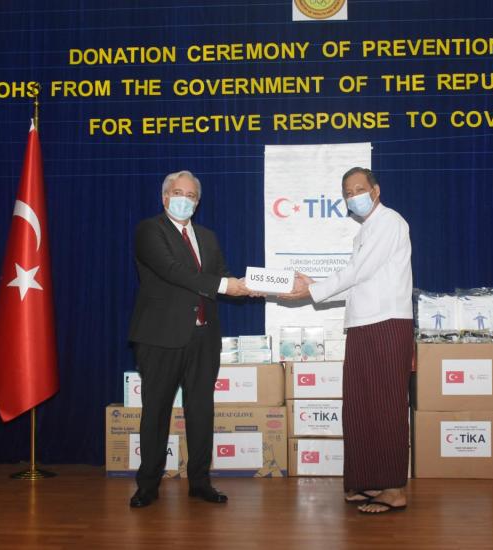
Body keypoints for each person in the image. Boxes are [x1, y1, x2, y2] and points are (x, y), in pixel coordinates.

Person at [280, 167, 413, 514]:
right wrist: (313, 286)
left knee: (386, 406)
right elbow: (357, 284)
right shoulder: (365, 232)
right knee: (360, 406)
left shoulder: (389, 222)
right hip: (363, 325)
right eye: (348, 193)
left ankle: (394, 488)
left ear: (376, 191)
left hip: (387, 324)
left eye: (359, 189)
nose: (354, 197)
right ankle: (367, 481)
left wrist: (311, 291)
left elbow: (357, 273)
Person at [127, 170, 250, 508]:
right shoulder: (150, 230)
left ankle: (200, 481)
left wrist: (247, 286)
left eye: (192, 195)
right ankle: (147, 485)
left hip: (203, 336)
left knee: (200, 410)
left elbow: (221, 275)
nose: (185, 200)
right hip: (160, 336)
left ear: (198, 202)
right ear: (165, 197)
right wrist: (225, 285)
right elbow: (172, 271)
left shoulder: (207, 237)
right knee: (156, 411)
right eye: (179, 193)